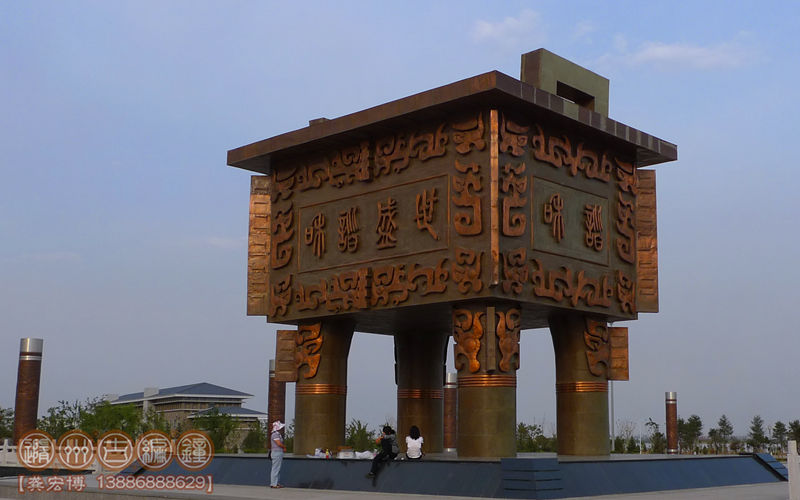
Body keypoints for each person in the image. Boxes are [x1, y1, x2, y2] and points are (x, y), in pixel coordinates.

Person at [270, 420, 286, 488]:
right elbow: (278, 443)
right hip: (276, 452)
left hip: (278, 452)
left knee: (277, 469)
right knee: (275, 469)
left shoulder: (277, 434)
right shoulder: (275, 434)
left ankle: (276, 482)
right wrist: (284, 447)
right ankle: (273, 484)